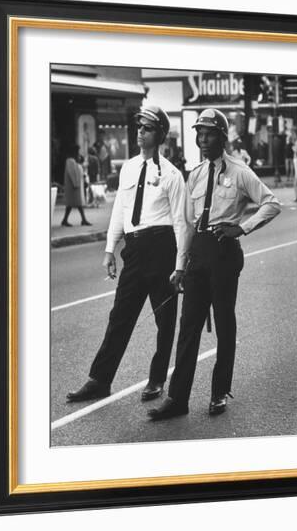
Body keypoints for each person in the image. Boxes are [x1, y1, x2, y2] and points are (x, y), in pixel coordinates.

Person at [148, 108, 281, 421]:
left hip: (224, 253)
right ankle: (177, 399)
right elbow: (188, 224)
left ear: (222, 137)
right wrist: (180, 266)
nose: (203, 140)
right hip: (198, 255)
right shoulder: (194, 174)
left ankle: (219, 392)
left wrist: (243, 227)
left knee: (224, 324)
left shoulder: (239, 171)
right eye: (199, 134)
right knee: (188, 328)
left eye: (209, 134)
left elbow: (271, 203)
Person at [67, 106, 186, 403]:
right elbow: (120, 210)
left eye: (146, 128)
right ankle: (100, 380)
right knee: (119, 316)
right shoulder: (129, 168)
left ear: (159, 134)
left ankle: (157, 379)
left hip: (162, 248)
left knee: (164, 319)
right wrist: (110, 249)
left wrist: (181, 265)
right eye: (139, 128)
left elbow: (183, 223)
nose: (140, 133)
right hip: (133, 250)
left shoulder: (172, 175)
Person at [61, 144, 92, 227]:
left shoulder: (72, 161)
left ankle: (66, 220)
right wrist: (76, 184)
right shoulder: (70, 161)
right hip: (73, 187)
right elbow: (72, 174)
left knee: (72, 205)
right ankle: (83, 220)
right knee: (76, 204)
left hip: (75, 186)